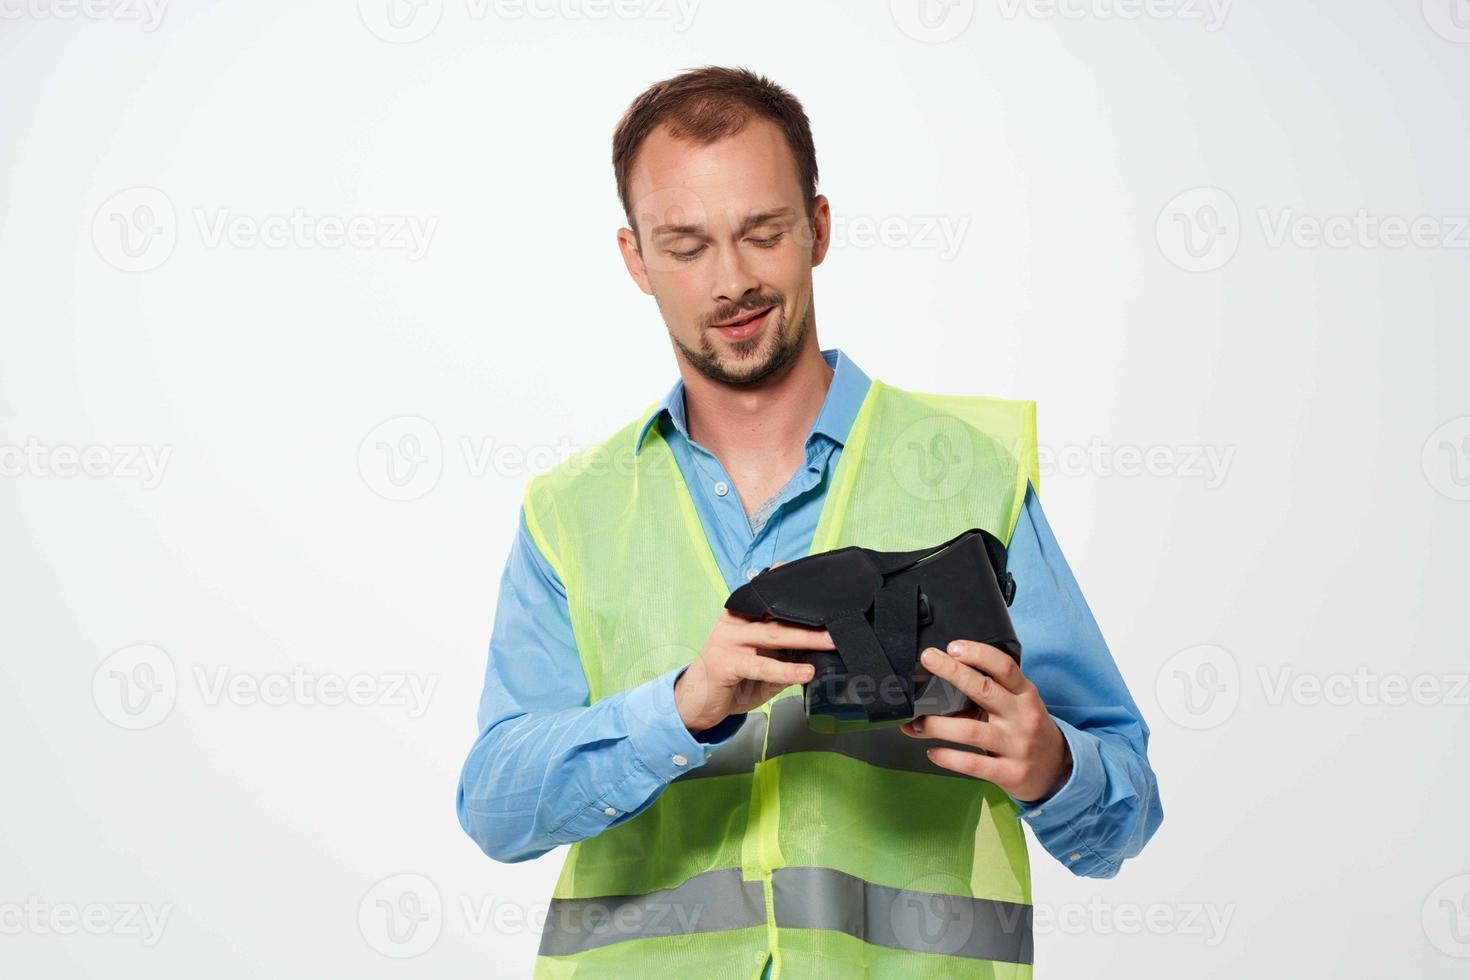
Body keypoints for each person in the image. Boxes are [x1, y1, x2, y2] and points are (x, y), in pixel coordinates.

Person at [457, 65, 1162, 979]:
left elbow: (1123, 810)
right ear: (636, 259)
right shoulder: (570, 512)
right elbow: (497, 808)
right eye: (686, 246)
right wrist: (680, 708)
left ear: (817, 229)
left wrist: (1051, 762)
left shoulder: (971, 475)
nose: (733, 280)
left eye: (762, 232)